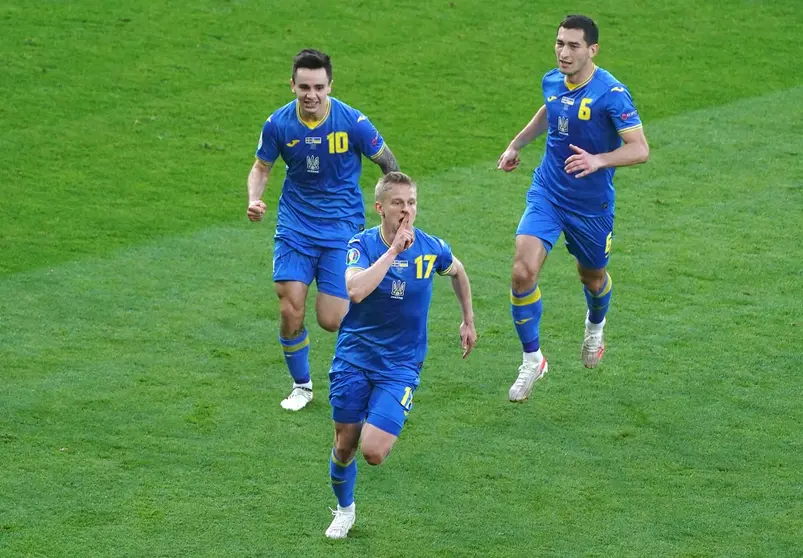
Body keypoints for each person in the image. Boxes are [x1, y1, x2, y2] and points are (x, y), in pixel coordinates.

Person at [496, 14, 649, 402]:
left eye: (573, 45)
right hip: (548, 191)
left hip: (590, 205)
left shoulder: (612, 94)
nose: (564, 52)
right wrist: (516, 144)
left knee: (593, 278)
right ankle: (533, 361)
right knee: (521, 271)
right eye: (560, 43)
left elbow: (640, 148)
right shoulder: (552, 79)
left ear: (592, 50)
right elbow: (550, 110)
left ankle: (595, 326)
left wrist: (599, 161)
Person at [323, 171, 477, 539]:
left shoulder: (431, 248)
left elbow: (457, 271)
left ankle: (381, 416)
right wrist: (393, 252)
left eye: (411, 202)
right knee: (345, 444)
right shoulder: (361, 245)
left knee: (373, 451)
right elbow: (355, 291)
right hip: (354, 359)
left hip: (400, 366)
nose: (406, 210)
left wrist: (467, 319)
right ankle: (345, 510)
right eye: (398, 203)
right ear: (380, 208)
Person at [246, 48, 399, 411]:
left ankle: (375, 357)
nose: (311, 94)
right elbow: (261, 167)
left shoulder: (353, 122)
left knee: (332, 320)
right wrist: (255, 198)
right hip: (295, 226)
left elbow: (387, 163)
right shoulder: (279, 124)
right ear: (292, 86)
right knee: (289, 307)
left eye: (318, 86)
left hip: (341, 229)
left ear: (330, 85)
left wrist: (396, 213)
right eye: (303, 87)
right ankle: (302, 386)